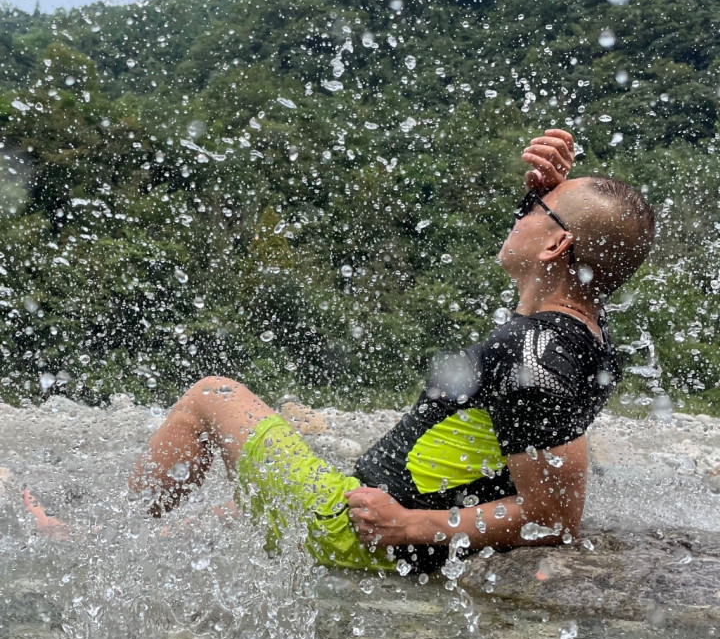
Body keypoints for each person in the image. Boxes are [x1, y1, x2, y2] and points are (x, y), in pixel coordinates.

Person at [128, 129, 655, 573]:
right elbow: (568, 278)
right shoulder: (578, 339)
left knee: (212, 394)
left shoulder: (534, 354)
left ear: (557, 245)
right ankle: (149, 543)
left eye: (535, 210)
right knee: (229, 510)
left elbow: (554, 519)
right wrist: (550, 199)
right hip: (365, 503)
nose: (519, 217)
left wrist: (409, 526)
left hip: (357, 532)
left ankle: (120, 532)